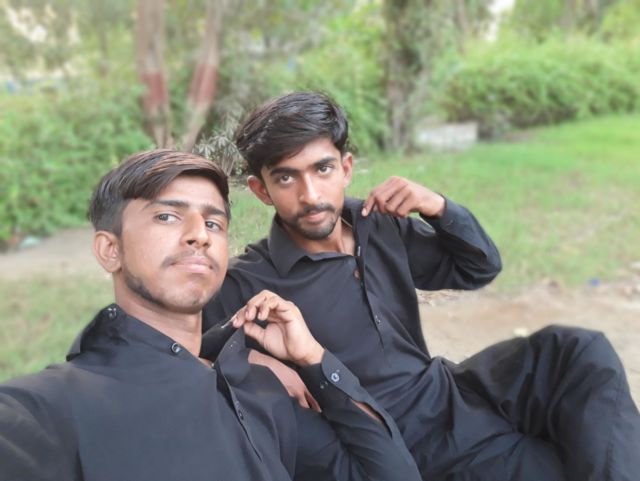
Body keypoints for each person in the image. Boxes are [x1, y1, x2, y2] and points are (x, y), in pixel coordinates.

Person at [202, 92, 640, 481]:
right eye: (286, 178)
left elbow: (478, 268)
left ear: (346, 168)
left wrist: (438, 207)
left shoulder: (377, 224)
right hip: (396, 443)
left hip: (455, 397)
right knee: (565, 462)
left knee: (579, 349)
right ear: (261, 190)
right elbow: (178, 348)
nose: (311, 194)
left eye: (323, 169)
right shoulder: (249, 280)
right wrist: (252, 360)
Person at [0, 149, 422, 481]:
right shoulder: (52, 407)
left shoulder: (258, 389)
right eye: (167, 216)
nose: (199, 235)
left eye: (213, 223)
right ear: (110, 250)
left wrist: (313, 358)